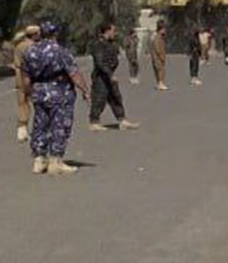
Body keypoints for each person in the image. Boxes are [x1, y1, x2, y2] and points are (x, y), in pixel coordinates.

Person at [21, 22, 90, 174]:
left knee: (40, 125)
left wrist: (28, 94)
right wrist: (85, 90)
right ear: (55, 33)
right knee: (60, 126)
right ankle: (55, 160)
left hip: (39, 92)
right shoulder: (60, 51)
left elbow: (25, 78)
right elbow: (74, 73)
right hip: (60, 92)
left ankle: (39, 159)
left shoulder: (29, 52)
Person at [87, 22, 139, 131]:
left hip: (109, 75)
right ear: (107, 31)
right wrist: (109, 74)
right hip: (101, 77)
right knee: (99, 99)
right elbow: (100, 62)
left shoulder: (110, 43)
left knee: (116, 97)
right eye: (113, 31)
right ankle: (94, 122)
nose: (115, 33)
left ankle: (122, 120)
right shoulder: (98, 44)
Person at [12, 24, 40, 142]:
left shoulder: (19, 46)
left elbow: (16, 64)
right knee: (38, 104)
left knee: (22, 103)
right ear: (35, 34)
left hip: (19, 77)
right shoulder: (35, 46)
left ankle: (22, 130)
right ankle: (39, 130)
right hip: (32, 77)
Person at [149, 22, 170, 90]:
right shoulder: (157, 37)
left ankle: (160, 83)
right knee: (160, 70)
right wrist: (161, 56)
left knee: (161, 70)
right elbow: (157, 48)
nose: (165, 31)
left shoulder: (161, 37)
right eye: (164, 29)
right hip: (157, 57)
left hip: (158, 57)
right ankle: (160, 83)